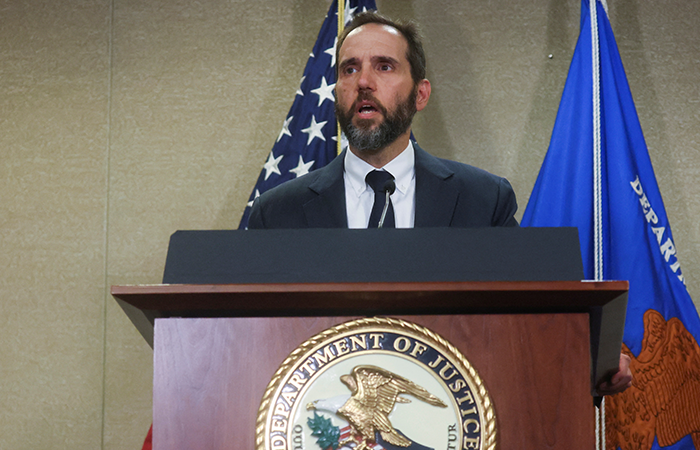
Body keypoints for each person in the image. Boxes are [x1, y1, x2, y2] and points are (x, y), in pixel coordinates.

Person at [248, 11, 631, 395]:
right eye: (349, 70)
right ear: (336, 92)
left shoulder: (483, 201)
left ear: (421, 94)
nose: (363, 82)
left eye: (384, 66)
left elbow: (532, 320)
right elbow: (253, 340)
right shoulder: (279, 212)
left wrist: (594, 355)